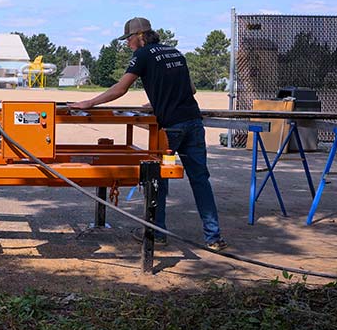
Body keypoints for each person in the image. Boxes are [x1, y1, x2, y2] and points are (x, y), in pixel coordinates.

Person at [68, 17, 227, 251]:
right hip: (193, 121)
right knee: (200, 179)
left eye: (129, 39)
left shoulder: (142, 55)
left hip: (171, 126)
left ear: (140, 36)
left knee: (157, 179)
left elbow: (120, 88)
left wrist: (89, 102)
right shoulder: (175, 53)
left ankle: (156, 233)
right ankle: (213, 237)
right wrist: (158, 101)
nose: (127, 44)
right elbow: (190, 89)